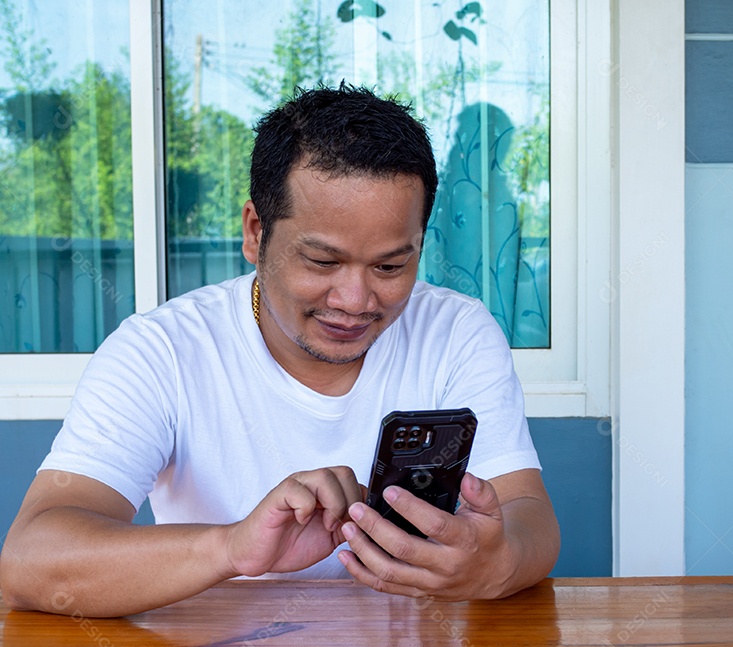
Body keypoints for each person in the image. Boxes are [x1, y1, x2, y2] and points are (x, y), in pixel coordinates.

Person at [0, 84, 560, 618]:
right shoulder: (161, 352)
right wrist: (231, 550)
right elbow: (28, 562)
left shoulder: (456, 330)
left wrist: (496, 563)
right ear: (254, 232)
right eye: (321, 262)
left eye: (391, 266)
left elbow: (530, 516)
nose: (356, 300)